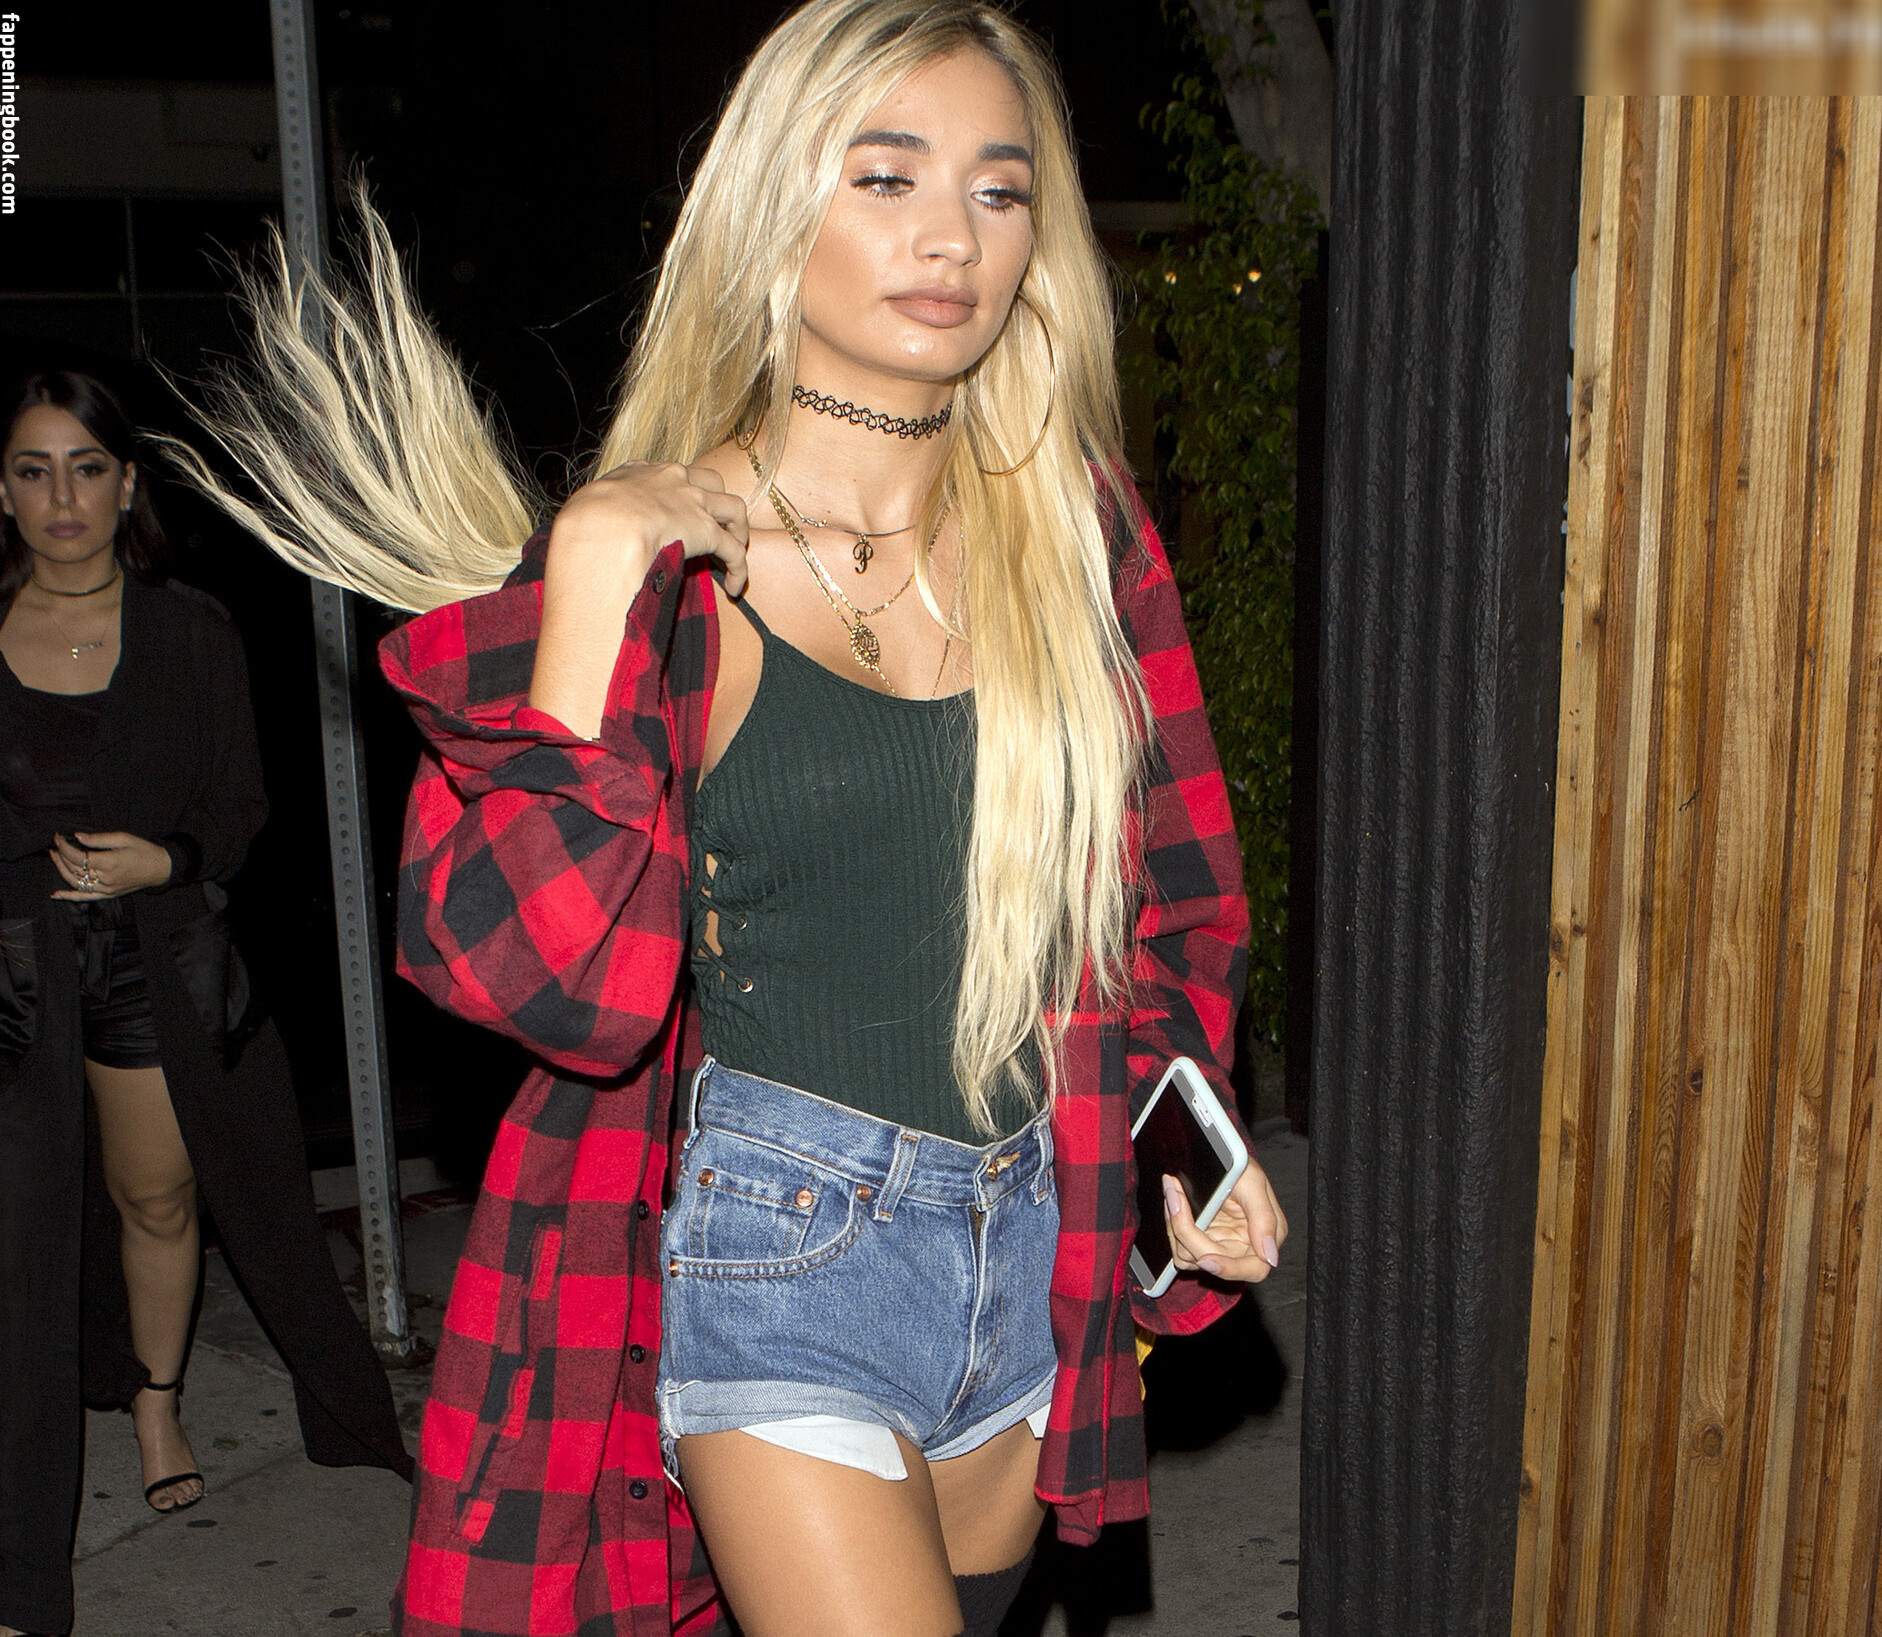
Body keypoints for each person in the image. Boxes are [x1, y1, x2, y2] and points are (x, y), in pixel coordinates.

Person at [171, 4, 1290, 1634]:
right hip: (782, 1252)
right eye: (887, 177)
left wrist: (1188, 1138)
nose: (952, 236)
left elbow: (1176, 904)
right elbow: (540, 983)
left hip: (1035, 1240)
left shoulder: (1083, 542)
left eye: (998, 189)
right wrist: (590, 573)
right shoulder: (669, 574)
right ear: (777, 206)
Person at [0, 370, 410, 1637]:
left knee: (159, 1197)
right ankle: (15, 1547)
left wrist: (164, 858)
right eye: (33, 469)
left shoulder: (191, 629)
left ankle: (157, 1396)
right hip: (10, 982)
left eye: (87, 467)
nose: (63, 496)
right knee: (15, 1253)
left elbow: (242, 802)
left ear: (128, 485)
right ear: (0, 491)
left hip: (154, 965)